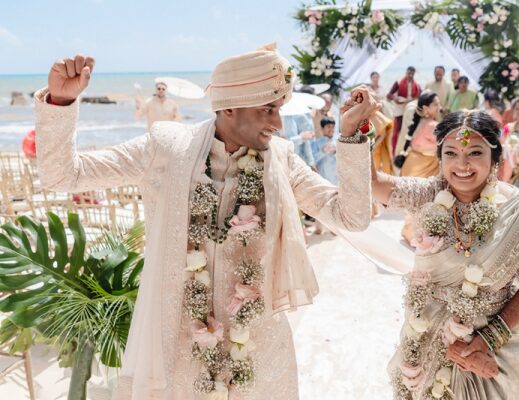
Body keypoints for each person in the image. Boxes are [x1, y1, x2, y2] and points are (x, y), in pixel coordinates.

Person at [34, 46, 376, 400]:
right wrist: (60, 102)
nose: (277, 124)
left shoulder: (283, 160)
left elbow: (351, 216)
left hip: (256, 350)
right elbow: (63, 175)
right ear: (228, 107)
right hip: (179, 348)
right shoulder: (165, 147)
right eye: (267, 110)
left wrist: (350, 137)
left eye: (278, 110)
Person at [371, 110, 519, 400]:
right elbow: (371, 185)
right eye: (451, 153)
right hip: (425, 337)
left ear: (495, 159)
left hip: (489, 347)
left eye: (475, 153)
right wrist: (352, 132)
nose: (462, 164)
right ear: (440, 157)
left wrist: (487, 339)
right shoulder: (426, 195)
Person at [394, 91, 441, 242]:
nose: (439, 107)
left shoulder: (419, 122)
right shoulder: (433, 125)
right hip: (422, 165)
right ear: (425, 108)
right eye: (435, 104)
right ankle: (417, 238)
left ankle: (410, 234)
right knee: (423, 202)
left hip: (412, 164)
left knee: (414, 203)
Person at [387, 66, 422, 153]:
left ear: (414, 74)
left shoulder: (417, 85)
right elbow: (389, 95)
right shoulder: (398, 82)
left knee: (409, 132)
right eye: (409, 73)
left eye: (412, 73)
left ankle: (405, 151)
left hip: (410, 110)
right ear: (406, 72)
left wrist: (409, 100)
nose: (410, 75)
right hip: (400, 111)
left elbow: (419, 97)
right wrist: (395, 99)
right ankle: (394, 151)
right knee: (397, 132)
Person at [312, 117, 338, 184]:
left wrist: (337, 151)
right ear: (322, 128)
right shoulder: (316, 143)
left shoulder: (338, 141)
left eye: (333, 127)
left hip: (338, 178)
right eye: (328, 127)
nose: (331, 129)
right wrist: (322, 151)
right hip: (324, 178)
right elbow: (313, 160)